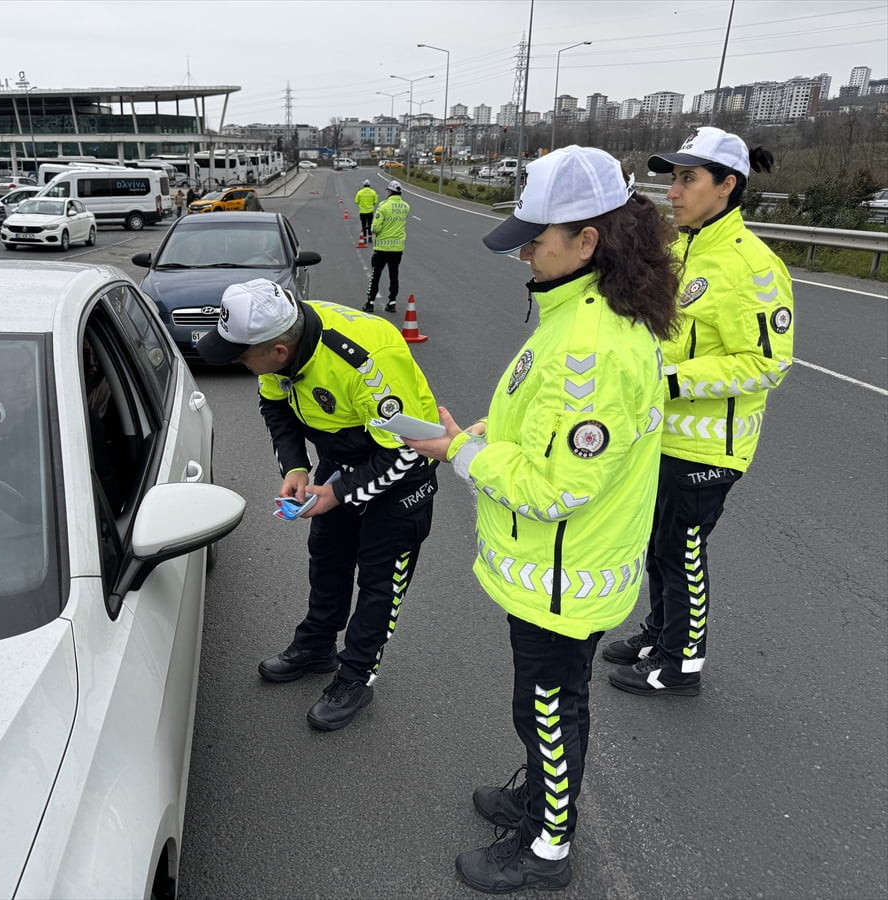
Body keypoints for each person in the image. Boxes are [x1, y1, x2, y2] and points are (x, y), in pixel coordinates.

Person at [404, 146, 679, 894]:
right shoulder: (582, 314)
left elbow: (558, 488)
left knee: (549, 710)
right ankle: (539, 799)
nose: (524, 251)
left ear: (587, 240)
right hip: (563, 565)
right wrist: (478, 434)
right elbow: (542, 428)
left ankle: (547, 845)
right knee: (552, 704)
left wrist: (462, 453)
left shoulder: (592, 348)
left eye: (536, 238)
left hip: (565, 572)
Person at [196, 278, 440, 732]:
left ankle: (356, 677)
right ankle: (316, 645)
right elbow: (276, 408)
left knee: (380, 584)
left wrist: (339, 493)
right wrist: (295, 467)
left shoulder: (366, 362)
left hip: (403, 470)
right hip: (342, 457)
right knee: (327, 557)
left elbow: (407, 450)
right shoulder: (279, 338)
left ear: (279, 352)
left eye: (241, 357)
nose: (240, 364)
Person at [603, 127, 793, 697]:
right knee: (658, 545)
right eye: (672, 179)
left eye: (688, 179)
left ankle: (681, 663)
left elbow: (766, 363)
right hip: (662, 437)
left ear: (727, 185)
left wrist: (668, 382)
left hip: (709, 445)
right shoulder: (687, 250)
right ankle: (660, 633)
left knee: (681, 550)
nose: (673, 192)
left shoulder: (751, 266)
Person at [365, 180, 408, 314]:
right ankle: (392, 302)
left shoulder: (383, 206)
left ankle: (370, 302)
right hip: (397, 248)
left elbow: (375, 228)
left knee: (375, 275)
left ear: (389, 192)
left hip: (382, 248)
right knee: (394, 275)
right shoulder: (406, 207)